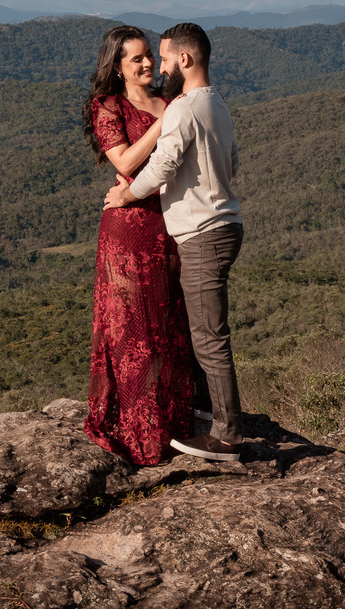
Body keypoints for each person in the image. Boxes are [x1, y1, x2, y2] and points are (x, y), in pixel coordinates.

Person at [104, 23, 245, 462]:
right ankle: (208, 413)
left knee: (208, 337)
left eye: (164, 58)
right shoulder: (216, 103)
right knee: (203, 329)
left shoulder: (183, 109)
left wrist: (126, 193)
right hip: (225, 224)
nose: (159, 67)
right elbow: (232, 160)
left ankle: (225, 437)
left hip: (203, 233)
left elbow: (163, 164)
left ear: (184, 60)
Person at [82, 24, 194, 465]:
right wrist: (163, 122)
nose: (148, 63)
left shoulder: (170, 100)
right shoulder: (107, 106)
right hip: (127, 228)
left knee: (167, 322)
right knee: (133, 327)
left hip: (168, 223)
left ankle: (173, 422)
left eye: (149, 54)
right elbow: (125, 160)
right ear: (118, 67)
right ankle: (138, 427)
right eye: (137, 58)